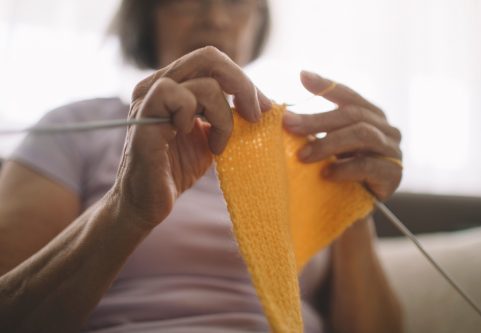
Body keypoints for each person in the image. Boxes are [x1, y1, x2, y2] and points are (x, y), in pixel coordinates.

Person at [0, 0, 403, 332]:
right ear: (146, 17)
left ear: (258, 21)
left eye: (236, 2)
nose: (214, 16)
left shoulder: (307, 155)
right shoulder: (72, 129)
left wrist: (350, 201)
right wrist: (128, 209)